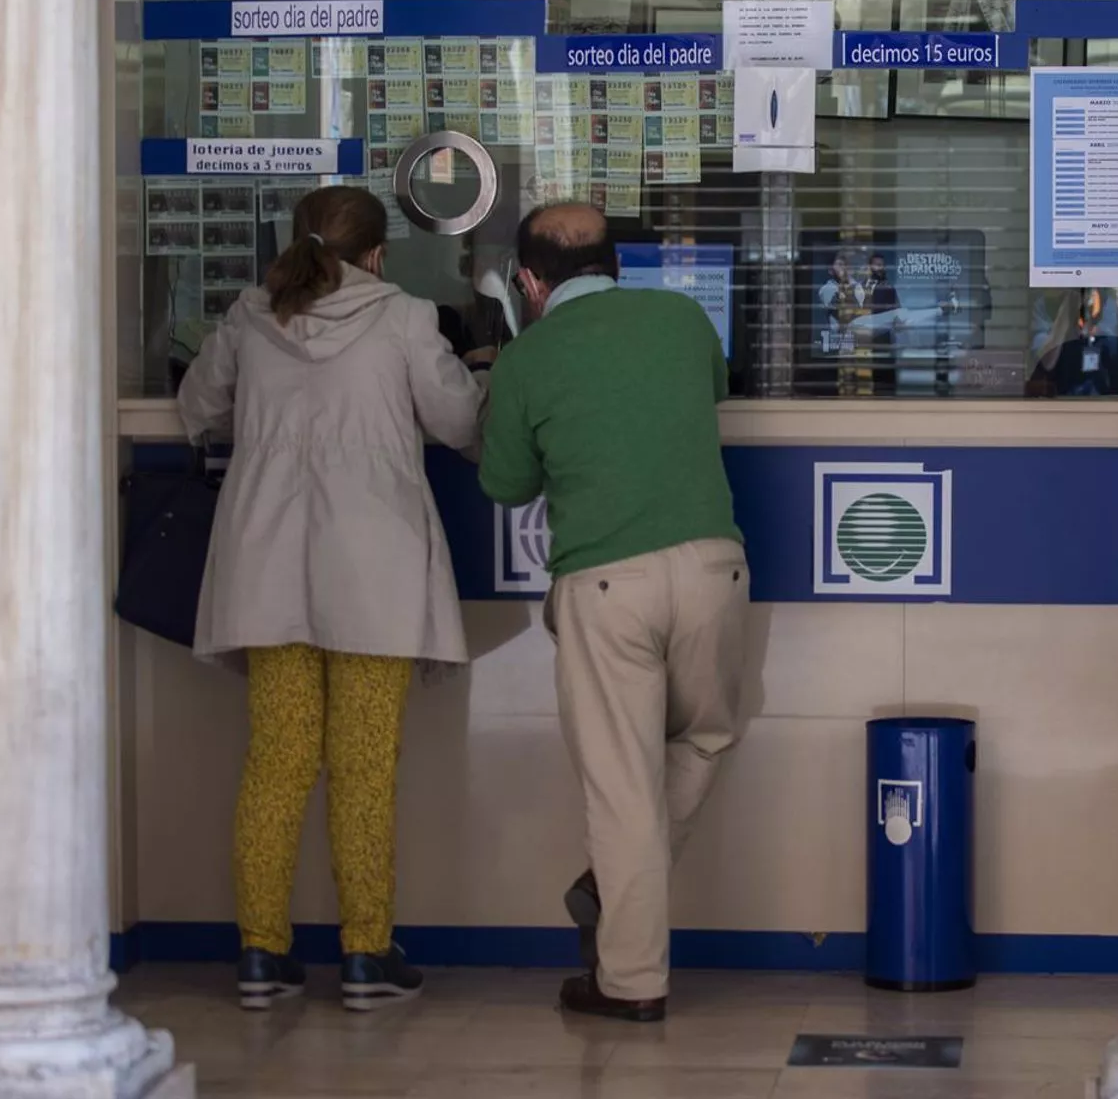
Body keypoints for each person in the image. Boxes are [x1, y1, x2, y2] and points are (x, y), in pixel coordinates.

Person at [177, 185, 494, 1013]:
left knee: (277, 762)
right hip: (374, 571)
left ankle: (260, 955)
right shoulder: (403, 318)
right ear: (378, 253)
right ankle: (365, 955)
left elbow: (196, 408)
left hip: (267, 567)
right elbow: (460, 425)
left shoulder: (251, 317)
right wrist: (477, 374)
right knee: (363, 767)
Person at [478, 203, 747, 1023]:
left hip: (606, 585)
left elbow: (505, 485)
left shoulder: (528, 358)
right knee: (705, 737)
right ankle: (614, 884)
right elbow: (713, 389)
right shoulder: (682, 319)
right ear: (617, 265)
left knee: (624, 790)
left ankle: (630, 980)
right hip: (714, 568)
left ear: (529, 282)